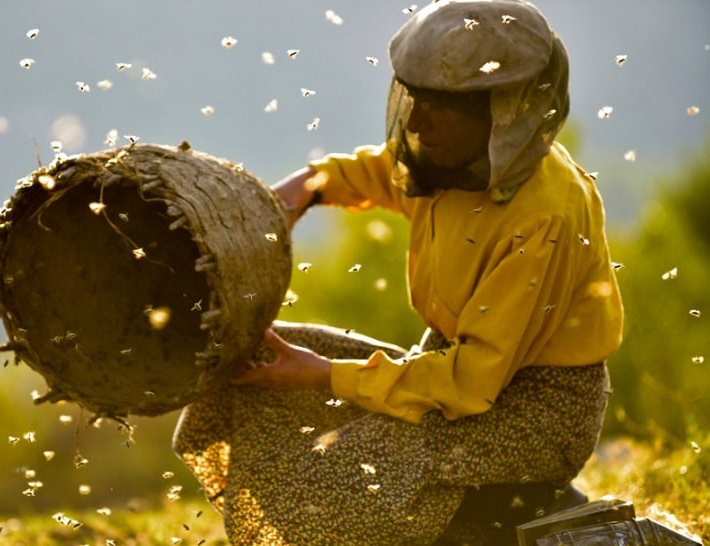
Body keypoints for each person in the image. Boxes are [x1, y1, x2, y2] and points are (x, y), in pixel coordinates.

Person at [173, 1, 624, 544]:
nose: (415, 121)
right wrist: (306, 189)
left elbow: (469, 383)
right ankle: (495, 514)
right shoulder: (453, 160)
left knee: (337, 471)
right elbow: (382, 173)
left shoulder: (544, 215)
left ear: (501, 111)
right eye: (415, 98)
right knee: (259, 370)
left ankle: (515, 515)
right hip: (455, 375)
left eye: (438, 107)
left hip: (531, 415)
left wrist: (320, 374)